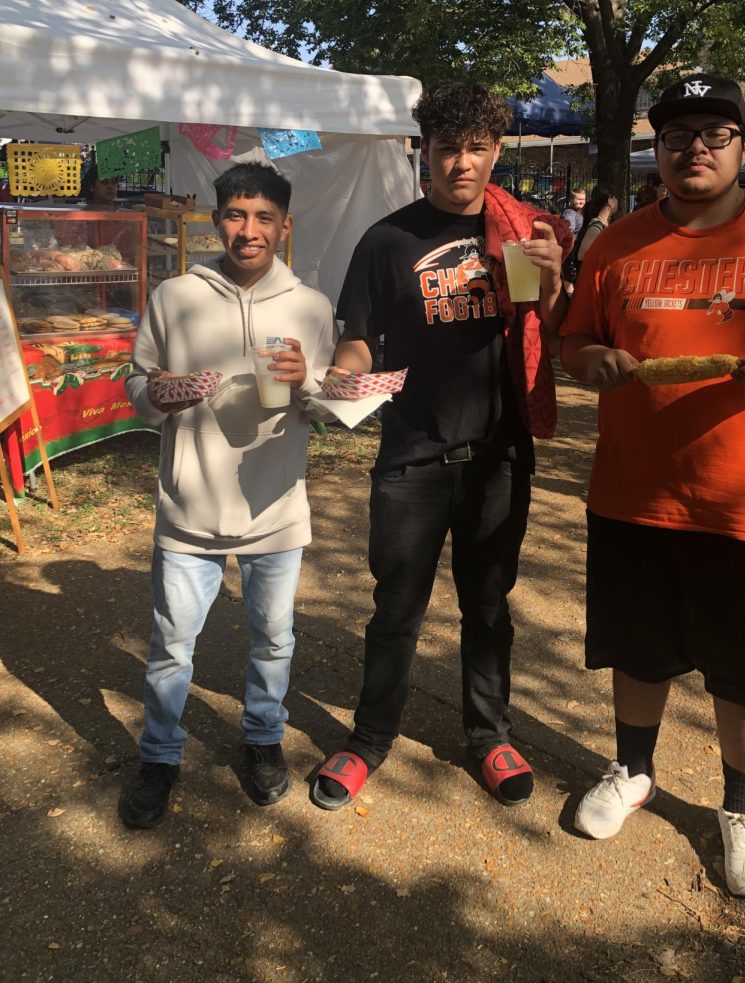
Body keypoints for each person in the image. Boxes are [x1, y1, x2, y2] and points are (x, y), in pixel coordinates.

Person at [560, 74, 745, 898]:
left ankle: (743, 807)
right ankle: (633, 769)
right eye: (678, 133)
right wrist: (596, 365)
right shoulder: (618, 244)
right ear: (657, 149)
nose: (696, 146)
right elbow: (574, 342)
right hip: (632, 490)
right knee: (638, 647)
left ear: (739, 145)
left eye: (714, 133)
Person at [312, 82, 570, 812]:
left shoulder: (516, 235)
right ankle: (368, 740)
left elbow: (540, 329)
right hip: (411, 458)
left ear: (495, 152)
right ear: (424, 150)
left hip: (498, 456)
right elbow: (360, 339)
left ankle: (488, 734)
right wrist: (340, 381)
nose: (462, 163)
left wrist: (552, 283)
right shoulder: (387, 240)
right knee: (396, 608)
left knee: (488, 606)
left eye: (477, 148)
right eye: (448, 147)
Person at [119, 161, 338, 829]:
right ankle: (159, 754)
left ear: (284, 226)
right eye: (237, 215)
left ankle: (263, 741)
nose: (250, 230)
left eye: (264, 218)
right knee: (171, 644)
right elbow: (138, 383)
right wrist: (153, 393)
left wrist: (310, 383)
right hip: (189, 505)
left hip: (274, 507)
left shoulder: (311, 304)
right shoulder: (175, 296)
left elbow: (328, 406)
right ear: (217, 221)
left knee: (274, 639)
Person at [576, 187, 617, 265]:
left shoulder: (605, 224)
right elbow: (581, 256)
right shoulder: (596, 228)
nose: (617, 201)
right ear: (610, 201)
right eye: (615, 198)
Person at [561, 188, 587, 295]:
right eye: (578, 199)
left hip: (574, 248)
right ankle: (569, 296)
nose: (581, 201)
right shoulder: (570, 213)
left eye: (583, 199)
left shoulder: (578, 212)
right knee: (570, 275)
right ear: (571, 200)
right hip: (571, 249)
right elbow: (568, 231)